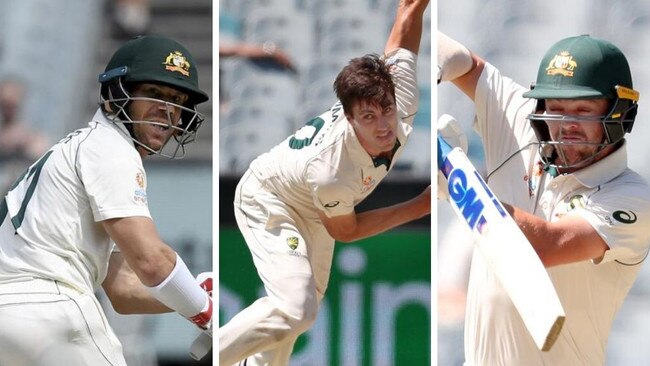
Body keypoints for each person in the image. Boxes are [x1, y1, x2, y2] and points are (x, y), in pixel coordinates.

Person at [219, 0, 431, 364]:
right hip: (270, 197)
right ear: (349, 117)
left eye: (387, 111)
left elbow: (405, 24)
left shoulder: (401, 96)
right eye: (368, 116)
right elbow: (346, 231)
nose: (384, 126)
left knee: (301, 309)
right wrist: (418, 206)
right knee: (297, 308)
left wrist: (415, 7)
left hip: (311, 203)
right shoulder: (332, 171)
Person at [438, 31, 650, 365]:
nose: (566, 124)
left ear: (619, 112)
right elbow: (464, 63)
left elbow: (544, 246)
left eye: (583, 110)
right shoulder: (520, 129)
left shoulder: (632, 197)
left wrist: (457, 179)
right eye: (555, 108)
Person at [0, 35, 212, 366]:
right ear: (116, 95)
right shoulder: (111, 149)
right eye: (154, 93)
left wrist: (194, 294)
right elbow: (152, 261)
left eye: (177, 99)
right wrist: (207, 312)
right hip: (55, 312)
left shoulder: (82, 147)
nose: (167, 110)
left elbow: (123, 288)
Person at [0, 77, 49, 194]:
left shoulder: (29, 137)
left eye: (11, 105)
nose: (8, 109)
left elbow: (40, 152)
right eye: (5, 104)